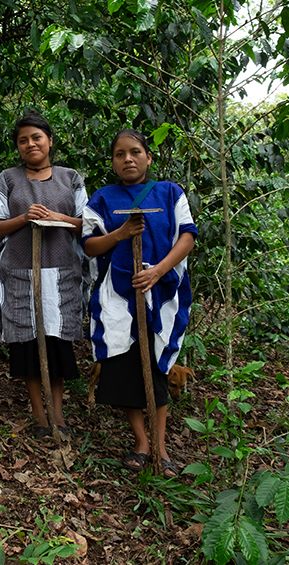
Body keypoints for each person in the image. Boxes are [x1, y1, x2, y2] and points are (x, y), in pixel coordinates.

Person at [82, 129, 197, 476]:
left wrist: (158, 271)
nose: (128, 159)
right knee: (125, 371)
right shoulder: (103, 198)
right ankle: (141, 443)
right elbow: (89, 245)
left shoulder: (170, 192)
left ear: (148, 156)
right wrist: (120, 234)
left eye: (135, 152)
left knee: (158, 369)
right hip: (118, 297)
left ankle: (160, 447)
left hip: (161, 294)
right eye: (120, 154)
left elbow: (187, 236)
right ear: (113, 161)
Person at [0, 111, 85, 437]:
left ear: (50, 140)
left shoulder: (70, 178)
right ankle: (40, 417)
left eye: (37, 137)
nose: (30, 144)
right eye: (23, 140)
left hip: (61, 274)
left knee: (57, 345)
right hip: (19, 274)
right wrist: (24, 218)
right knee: (27, 346)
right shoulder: (8, 179)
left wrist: (60, 218)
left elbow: (87, 224)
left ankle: (59, 416)